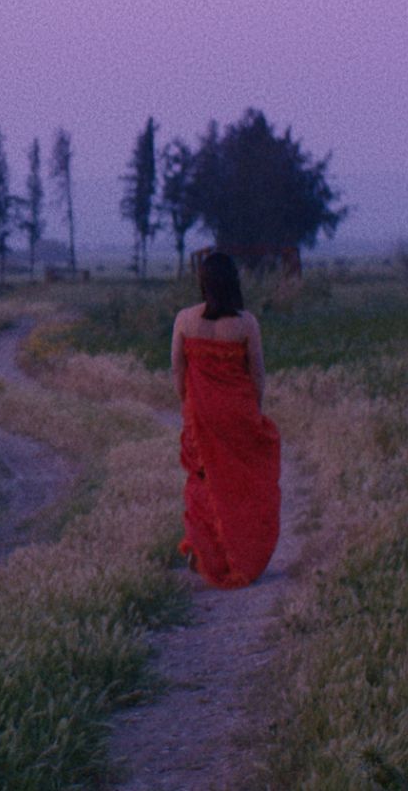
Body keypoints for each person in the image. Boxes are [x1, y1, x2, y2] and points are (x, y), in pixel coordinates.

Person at [169, 251, 280, 589]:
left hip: (200, 415)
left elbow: (177, 371)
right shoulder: (246, 323)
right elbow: (257, 375)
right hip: (239, 415)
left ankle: (208, 556)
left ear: (202, 282)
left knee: (203, 483)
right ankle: (243, 555)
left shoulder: (184, 320)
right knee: (245, 486)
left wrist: (190, 408)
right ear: (234, 282)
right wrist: (252, 415)